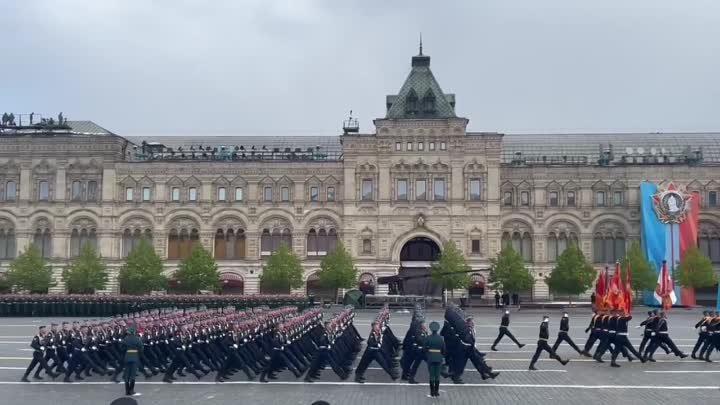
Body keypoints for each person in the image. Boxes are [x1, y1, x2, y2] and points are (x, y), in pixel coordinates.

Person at [120, 324, 143, 396]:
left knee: (127, 374)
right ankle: (131, 390)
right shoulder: (137, 339)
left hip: (127, 356)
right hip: (134, 356)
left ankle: (127, 391)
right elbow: (141, 348)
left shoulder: (125, 339)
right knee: (133, 374)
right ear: (134, 332)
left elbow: (121, 348)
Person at [425, 321, 445, 398]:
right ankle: (436, 392)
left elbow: (424, 348)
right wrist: (441, 356)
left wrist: (428, 355)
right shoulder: (441, 338)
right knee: (437, 376)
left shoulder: (428, 338)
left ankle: (432, 391)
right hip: (438, 358)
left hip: (430, 358)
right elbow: (444, 349)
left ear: (431, 329)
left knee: (431, 375)